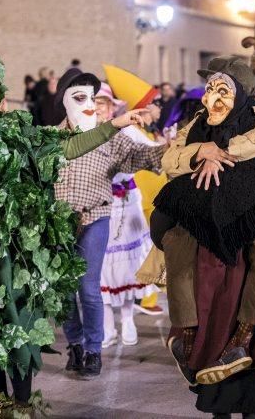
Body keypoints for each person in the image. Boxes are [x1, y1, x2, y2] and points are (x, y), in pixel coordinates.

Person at [0, 39, 149, 416]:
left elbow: (68, 147)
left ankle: (20, 403)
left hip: (15, 252)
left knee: (20, 323)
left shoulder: (16, 133)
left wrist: (114, 123)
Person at [155, 60, 255, 417]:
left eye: (224, 90)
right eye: (210, 89)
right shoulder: (196, 126)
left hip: (252, 242)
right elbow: (171, 159)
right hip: (206, 248)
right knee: (177, 244)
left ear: (242, 93)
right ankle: (187, 339)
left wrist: (221, 152)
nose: (213, 98)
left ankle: (243, 338)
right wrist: (200, 153)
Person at [54, 67, 167, 380]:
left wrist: (176, 145)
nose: (89, 104)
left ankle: (93, 350)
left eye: (92, 97)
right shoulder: (51, 139)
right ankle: (74, 344)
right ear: (64, 101)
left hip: (96, 217)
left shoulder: (111, 139)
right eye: (80, 97)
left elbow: (147, 157)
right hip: (58, 222)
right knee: (63, 291)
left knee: (89, 288)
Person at [94, 83, 160, 348]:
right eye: (94, 102)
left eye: (103, 102)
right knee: (102, 265)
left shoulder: (129, 130)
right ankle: (108, 326)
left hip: (127, 202)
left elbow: (154, 150)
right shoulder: (85, 133)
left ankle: (128, 319)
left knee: (127, 266)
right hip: (102, 204)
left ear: (112, 107)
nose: (98, 107)